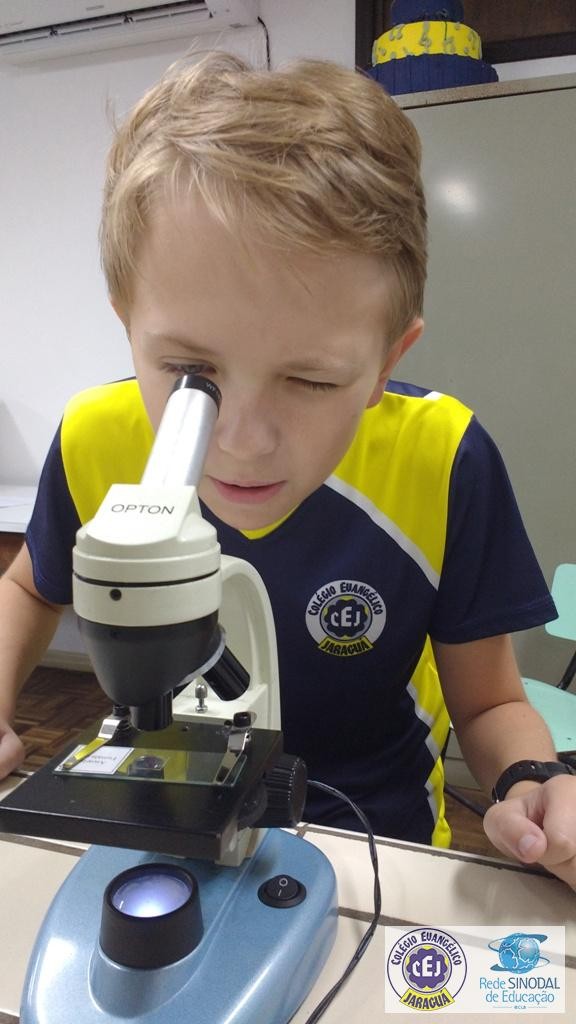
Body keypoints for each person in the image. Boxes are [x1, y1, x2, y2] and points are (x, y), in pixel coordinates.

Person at [1, 53, 575, 887]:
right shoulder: (96, 437)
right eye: (189, 372)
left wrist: (533, 782)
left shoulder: (442, 458)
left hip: (377, 848)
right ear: (128, 324)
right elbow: (31, 586)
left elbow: (490, 702)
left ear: (386, 361)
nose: (242, 440)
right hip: (166, 822)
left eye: (309, 381)